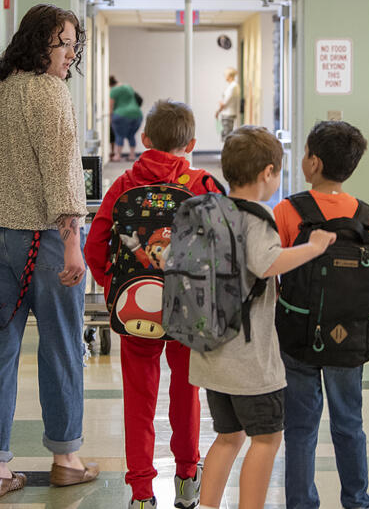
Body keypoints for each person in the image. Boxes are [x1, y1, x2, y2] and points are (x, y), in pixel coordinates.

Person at [0, 3, 98, 499]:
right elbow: (64, 171)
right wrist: (72, 246)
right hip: (39, 240)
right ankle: (66, 457)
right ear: (41, 43)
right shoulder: (48, 93)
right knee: (62, 346)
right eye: (65, 43)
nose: (71, 54)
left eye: (74, 45)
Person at [85, 100, 223, 509]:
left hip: (136, 308)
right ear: (192, 143)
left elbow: (95, 246)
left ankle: (142, 493)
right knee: (186, 393)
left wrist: (116, 288)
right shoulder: (202, 185)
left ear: (144, 140)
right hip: (187, 311)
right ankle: (185, 477)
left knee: (139, 400)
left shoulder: (125, 183)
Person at [192, 126, 336, 509]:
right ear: (267, 173)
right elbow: (268, 261)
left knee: (228, 437)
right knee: (267, 438)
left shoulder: (212, 211)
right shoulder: (258, 218)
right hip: (249, 361)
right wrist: (313, 246)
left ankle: (207, 506)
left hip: (212, 354)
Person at [273, 120, 369, 509]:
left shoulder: (288, 210)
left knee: (300, 428)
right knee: (350, 424)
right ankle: (357, 500)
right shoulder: (364, 215)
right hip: (349, 336)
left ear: (312, 163)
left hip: (298, 335)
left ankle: (301, 503)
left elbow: (273, 266)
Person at [110, 74, 144, 161]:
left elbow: (111, 105)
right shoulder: (128, 87)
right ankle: (132, 155)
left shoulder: (113, 90)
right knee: (131, 135)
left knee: (119, 135)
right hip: (137, 114)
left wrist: (111, 117)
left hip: (121, 115)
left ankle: (118, 156)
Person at [214, 67, 240, 142]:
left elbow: (225, 103)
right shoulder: (232, 86)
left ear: (230, 76)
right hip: (227, 113)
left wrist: (217, 111)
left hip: (228, 114)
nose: (225, 77)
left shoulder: (233, 86)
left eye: (225, 75)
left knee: (227, 136)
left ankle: (226, 153)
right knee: (225, 135)